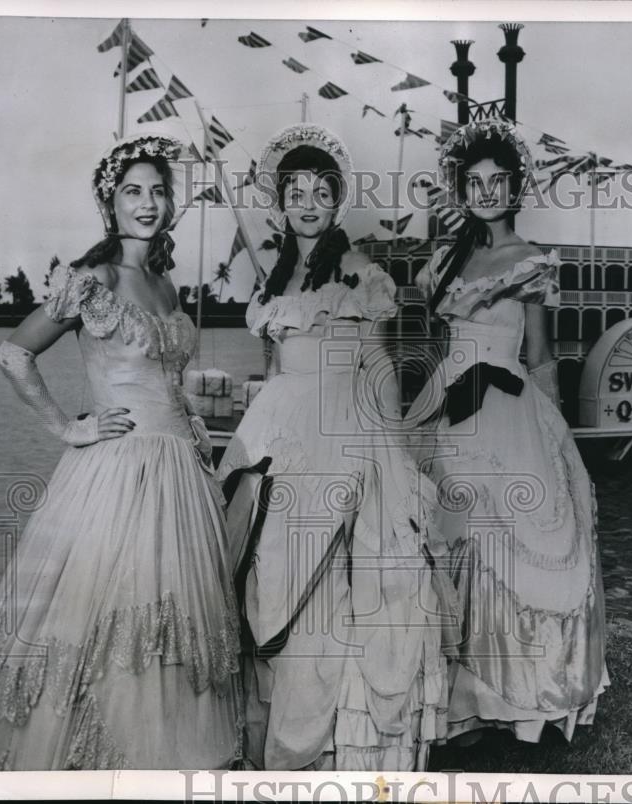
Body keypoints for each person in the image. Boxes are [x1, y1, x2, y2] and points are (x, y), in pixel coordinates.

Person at [0, 134, 244, 770]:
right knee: (104, 611)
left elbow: (168, 383)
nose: (148, 204)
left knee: (173, 615)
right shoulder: (91, 280)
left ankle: (166, 755)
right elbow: (14, 353)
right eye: (133, 192)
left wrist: (196, 442)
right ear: (111, 203)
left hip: (180, 471)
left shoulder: (164, 283)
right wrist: (68, 426)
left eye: (158, 191)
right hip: (114, 470)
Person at [215, 123, 450, 771]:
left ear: (338, 200)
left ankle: (321, 744)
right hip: (273, 432)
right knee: (264, 573)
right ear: (281, 202)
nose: (309, 203)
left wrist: (392, 459)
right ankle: (273, 732)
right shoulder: (273, 281)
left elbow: (378, 370)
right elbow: (274, 366)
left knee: (330, 584)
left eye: (322, 191)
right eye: (297, 192)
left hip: (341, 433)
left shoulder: (360, 273)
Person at [406, 119, 609, 746]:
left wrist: (559, 440)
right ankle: (456, 701)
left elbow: (542, 355)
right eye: (476, 183)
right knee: (442, 531)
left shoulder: (532, 262)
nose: (487, 192)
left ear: (515, 189)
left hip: (508, 403)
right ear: (462, 191)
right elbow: (432, 343)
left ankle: (519, 701)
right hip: (447, 398)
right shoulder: (445, 259)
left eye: (498, 182)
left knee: (512, 540)